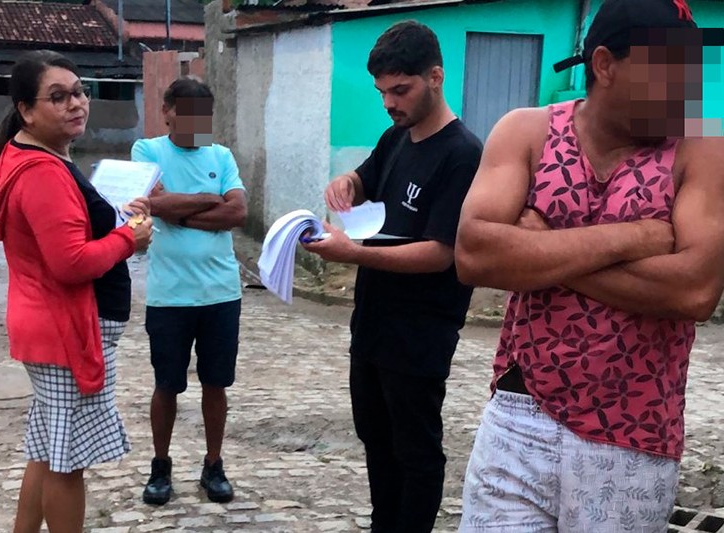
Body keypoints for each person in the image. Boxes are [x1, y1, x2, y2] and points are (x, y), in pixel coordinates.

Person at [455, 0, 724, 530]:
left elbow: (694, 292)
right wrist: (635, 237)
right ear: (605, 64)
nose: (688, 88)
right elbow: (475, 253)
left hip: (634, 433)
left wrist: (541, 247)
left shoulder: (702, 150)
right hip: (520, 415)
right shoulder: (527, 132)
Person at [302, 21, 482, 533]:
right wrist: (347, 183)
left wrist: (353, 253)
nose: (389, 103)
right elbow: (366, 178)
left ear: (436, 77)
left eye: (400, 90)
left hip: (421, 333)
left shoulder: (463, 154)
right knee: (376, 441)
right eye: (382, 92)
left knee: (415, 451)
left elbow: (441, 254)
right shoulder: (396, 136)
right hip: (373, 326)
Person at [0, 50, 152, 533]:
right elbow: (70, 263)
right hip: (67, 330)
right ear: (26, 110)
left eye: (79, 92)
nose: (76, 104)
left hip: (50, 322)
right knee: (67, 463)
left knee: (47, 448)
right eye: (58, 97)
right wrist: (128, 238)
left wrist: (114, 215)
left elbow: (61, 234)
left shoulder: (29, 156)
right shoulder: (42, 172)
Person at [133, 77, 247, 505]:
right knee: (166, 385)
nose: (199, 124)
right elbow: (150, 204)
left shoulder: (221, 155)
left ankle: (213, 464)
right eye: (189, 114)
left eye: (205, 116)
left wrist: (177, 209)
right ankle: (160, 466)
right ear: (168, 112)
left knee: (216, 384)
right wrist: (209, 199)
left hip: (221, 293)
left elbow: (238, 212)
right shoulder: (147, 151)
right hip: (169, 296)